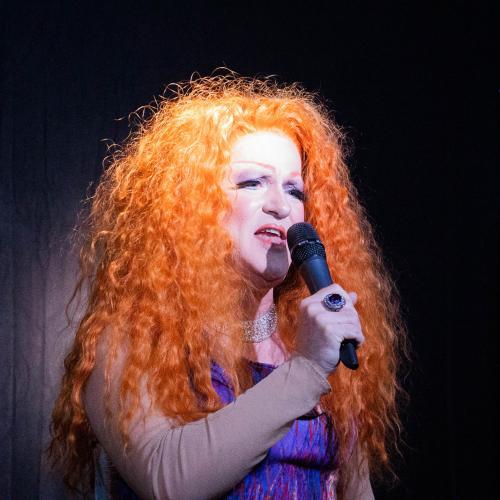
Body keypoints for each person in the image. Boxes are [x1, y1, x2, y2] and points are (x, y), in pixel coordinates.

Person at [49, 74, 406, 499]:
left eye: (295, 190)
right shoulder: (139, 340)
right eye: (252, 182)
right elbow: (167, 482)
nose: (281, 205)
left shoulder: (314, 338)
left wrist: (312, 359)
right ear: (191, 205)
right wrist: (307, 371)